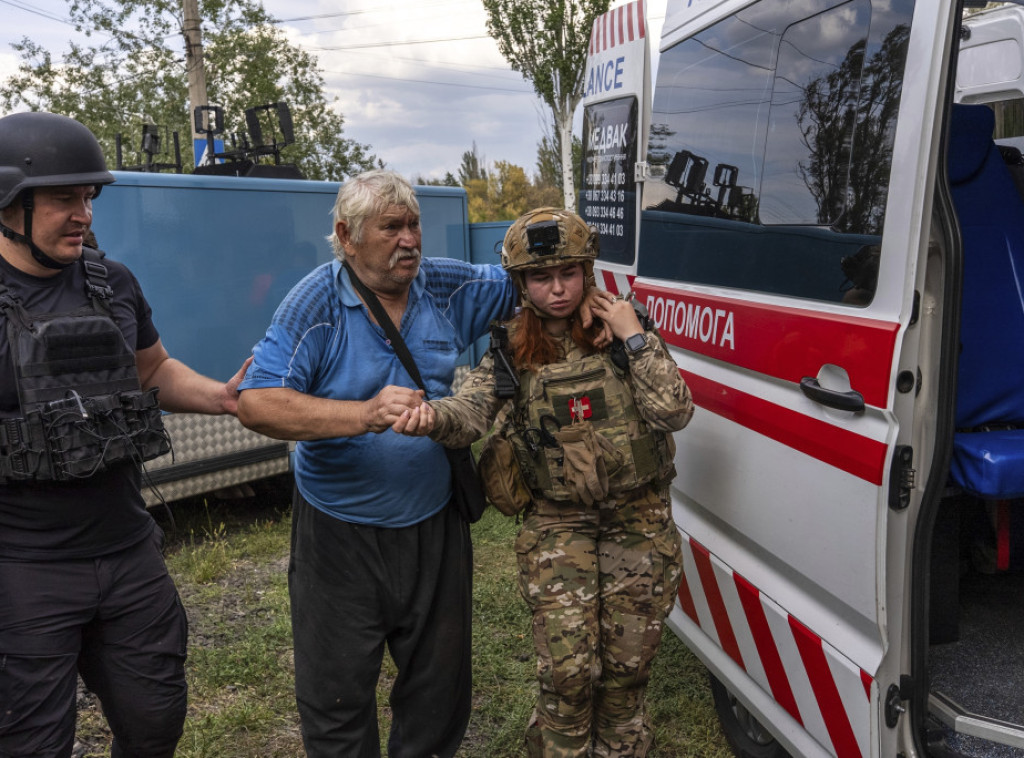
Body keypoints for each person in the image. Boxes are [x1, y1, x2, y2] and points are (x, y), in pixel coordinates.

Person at [236, 170, 609, 757]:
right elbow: (257, 403)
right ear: (346, 235)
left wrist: (590, 297)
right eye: (391, 228)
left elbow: (536, 279)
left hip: (434, 524)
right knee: (337, 696)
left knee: (438, 690)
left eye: (413, 225)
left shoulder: (443, 284)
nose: (410, 240)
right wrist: (361, 414)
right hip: (339, 533)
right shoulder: (314, 300)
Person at [391, 207, 694, 757]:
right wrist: (433, 418)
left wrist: (633, 337)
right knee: (568, 674)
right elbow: (473, 409)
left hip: (638, 519)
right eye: (540, 277)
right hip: (558, 522)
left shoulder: (625, 331)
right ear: (520, 283)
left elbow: (674, 412)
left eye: (568, 273)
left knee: (627, 670)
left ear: (588, 271)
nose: (557, 289)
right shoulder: (511, 347)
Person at [0, 111, 250, 757]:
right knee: (32, 741)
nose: (83, 213)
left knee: (155, 721)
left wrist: (221, 397)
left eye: (89, 197)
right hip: (22, 566)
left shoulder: (113, 284)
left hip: (127, 552)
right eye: (63, 199)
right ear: (8, 203)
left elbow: (155, 370)